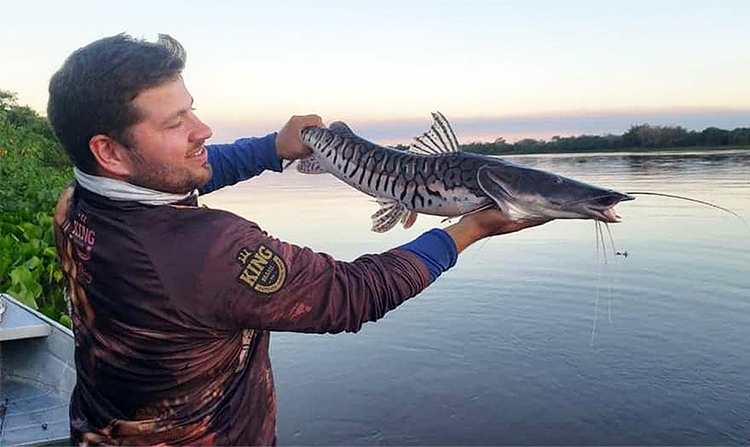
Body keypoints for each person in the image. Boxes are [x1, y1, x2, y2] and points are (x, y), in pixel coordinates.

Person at [48, 33, 550, 446]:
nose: (203, 129)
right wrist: (467, 231)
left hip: (100, 427)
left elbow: (175, 173)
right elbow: (352, 295)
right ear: (109, 151)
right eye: (177, 122)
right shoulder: (208, 254)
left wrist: (272, 147)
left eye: (192, 110)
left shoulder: (78, 198)